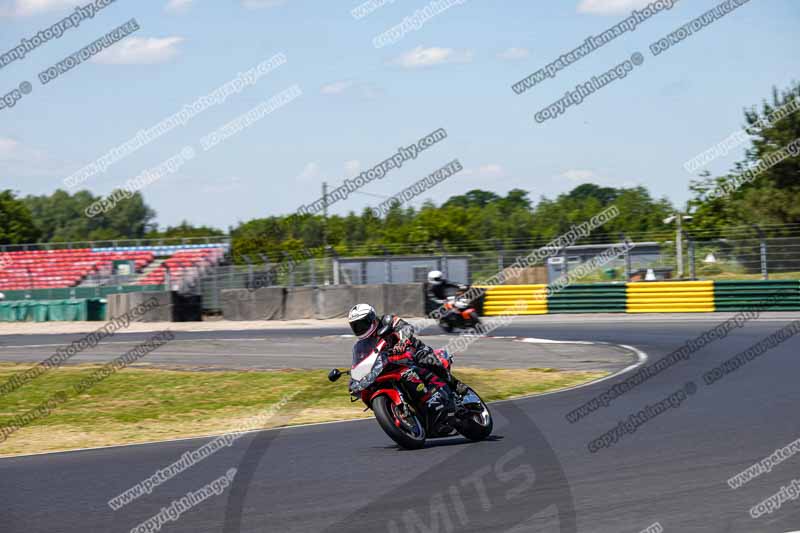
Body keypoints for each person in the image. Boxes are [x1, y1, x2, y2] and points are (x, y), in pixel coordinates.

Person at [347, 303, 467, 395]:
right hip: (389, 364)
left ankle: (454, 384)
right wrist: (355, 378)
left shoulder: (387, 320)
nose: (360, 328)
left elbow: (406, 328)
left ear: (371, 318)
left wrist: (403, 341)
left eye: (362, 324)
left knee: (426, 360)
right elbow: (362, 361)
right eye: (356, 326)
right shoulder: (362, 343)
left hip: (411, 351)